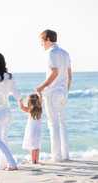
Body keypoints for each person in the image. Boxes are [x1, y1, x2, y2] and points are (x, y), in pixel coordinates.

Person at [36, 29, 72, 162]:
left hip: (52, 93)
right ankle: (66, 155)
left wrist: (41, 87)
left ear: (48, 40)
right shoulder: (65, 53)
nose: (41, 44)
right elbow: (69, 75)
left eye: (41, 40)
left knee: (53, 124)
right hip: (63, 92)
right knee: (62, 123)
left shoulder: (50, 53)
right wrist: (66, 91)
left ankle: (56, 156)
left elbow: (54, 72)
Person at [20, 93, 42, 164]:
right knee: (37, 146)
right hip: (38, 131)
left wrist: (20, 101)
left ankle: (33, 161)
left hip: (31, 130)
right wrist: (39, 93)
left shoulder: (30, 110)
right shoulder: (40, 109)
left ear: (29, 102)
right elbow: (41, 99)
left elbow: (22, 108)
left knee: (32, 147)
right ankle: (37, 160)